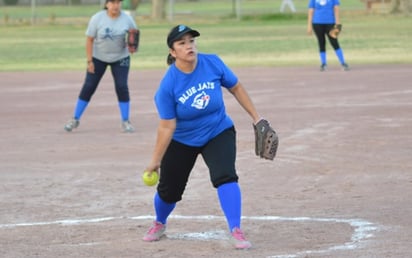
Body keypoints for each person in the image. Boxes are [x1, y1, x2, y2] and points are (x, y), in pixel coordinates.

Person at [142, 24, 264, 249]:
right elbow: (167, 126)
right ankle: (159, 222)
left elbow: (236, 87)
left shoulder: (212, 62)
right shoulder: (168, 85)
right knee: (170, 191)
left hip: (218, 130)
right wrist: (155, 160)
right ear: (172, 52)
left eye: (191, 41)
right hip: (182, 138)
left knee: (225, 175)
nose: (189, 46)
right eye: (182, 43)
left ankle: (236, 229)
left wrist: (257, 118)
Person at [64, 0, 137, 133]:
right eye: (112, 2)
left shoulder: (127, 19)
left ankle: (125, 121)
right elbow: (89, 39)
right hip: (98, 58)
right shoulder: (97, 18)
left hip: (120, 57)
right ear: (106, 4)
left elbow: (134, 34)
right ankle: (75, 119)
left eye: (118, 2)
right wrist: (89, 61)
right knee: (89, 86)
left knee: (122, 86)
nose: (115, 5)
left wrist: (133, 45)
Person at [307, 0, 349, 71]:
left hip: (330, 23)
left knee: (334, 42)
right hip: (317, 23)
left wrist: (338, 23)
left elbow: (336, 8)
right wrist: (309, 26)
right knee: (321, 42)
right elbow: (311, 10)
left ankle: (343, 62)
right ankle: (323, 64)